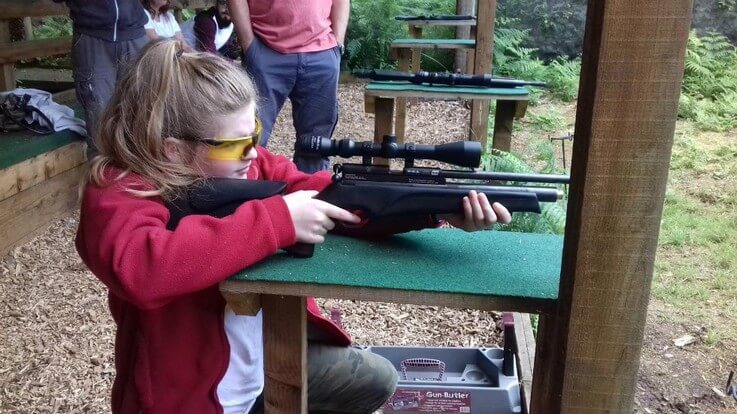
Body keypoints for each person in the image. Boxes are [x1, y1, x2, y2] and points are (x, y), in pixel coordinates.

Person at [75, 40, 512, 414]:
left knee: (376, 378)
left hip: (270, 361)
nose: (253, 151)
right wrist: (278, 220)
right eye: (234, 144)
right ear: (172, 150)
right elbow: (141, 267)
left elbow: (335, 198)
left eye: (255, 132)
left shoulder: (253, 165)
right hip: (185, 394)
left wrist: (432, 209)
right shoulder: (120, 190)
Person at [227, 0, 349, 173]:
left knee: (316, 146)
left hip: (322, 52)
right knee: (247, 138)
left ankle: (310, 195)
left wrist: (337, 44)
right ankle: (244, 196)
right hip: (265, 51)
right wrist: (249, 44)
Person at [52, 0, 149, 155]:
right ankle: (102, 177)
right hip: (91, 35)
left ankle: (140, 177)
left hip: (135, 33)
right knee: (99, 115)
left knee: (142, 114)